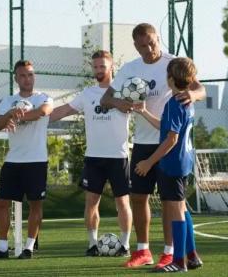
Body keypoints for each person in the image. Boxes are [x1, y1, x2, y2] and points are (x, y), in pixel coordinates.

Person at [100, 23, 205, 268]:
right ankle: (143, 251)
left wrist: (193, 95)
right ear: (135, 46)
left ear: (158, 38)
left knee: (171, 202)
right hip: (143, 143)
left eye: (152, 43)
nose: (149, 49)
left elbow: (199, 88)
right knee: (138, 196)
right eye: (143, 45)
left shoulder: (174, 64)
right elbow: (106, 99)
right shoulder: (129, 69)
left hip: (168, 145)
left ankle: (171, 252)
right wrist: (119, 104)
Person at [50, 50, 132, 257]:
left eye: (102, 66)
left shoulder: (124, 91)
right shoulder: (87, 95)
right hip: (94, 157)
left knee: (122, 203)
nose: (98, 70)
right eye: (95, 67)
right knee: (91, 202)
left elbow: (132, 108)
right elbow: (65, 110)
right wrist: (38, 117)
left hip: (119, 156)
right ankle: (92, 244)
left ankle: (125, 244)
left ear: (111, 66)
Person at [134, 57, 203, 272]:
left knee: (175, 211)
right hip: (184, 161)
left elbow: (171, 139)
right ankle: (192, 256)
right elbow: (165, 127)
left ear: (170, 79)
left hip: (173, 164)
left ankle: (178, 261)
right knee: (181, 208)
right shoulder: (186, 101)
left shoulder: (174, 103)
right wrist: (143, 111)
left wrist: (148, 162)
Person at [0, 60, 53, 260]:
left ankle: (28, 248)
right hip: (13, 161)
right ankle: (2, 248)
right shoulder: (7, 101)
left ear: (34, 76)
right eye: (22, 75)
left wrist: (18, 116)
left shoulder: (43, 98)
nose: (27, 79)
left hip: (36, 161)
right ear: (16, 78)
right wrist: (10, 113)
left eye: (30, 75)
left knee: (35, 204)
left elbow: (42, 112)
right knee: (2, 203)